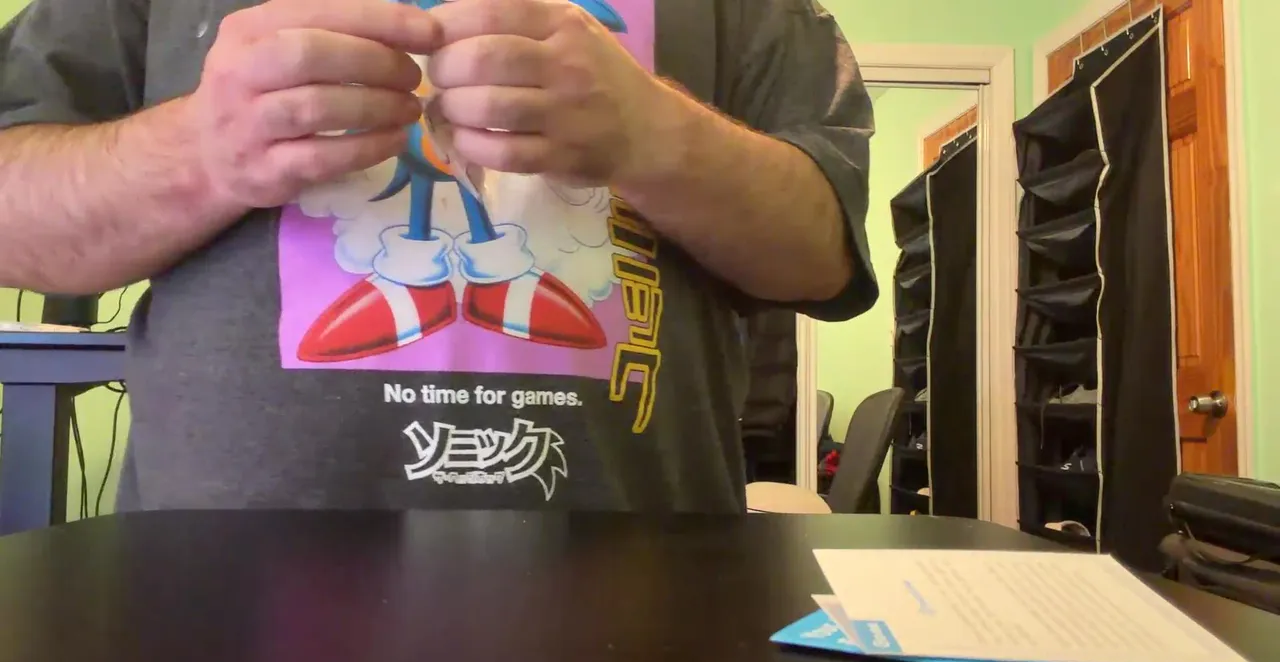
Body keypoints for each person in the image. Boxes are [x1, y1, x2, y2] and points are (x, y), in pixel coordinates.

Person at [0, 0, 876, 512]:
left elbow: (823, 254)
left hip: (640, 604)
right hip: (215, 609)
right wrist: (200, 150)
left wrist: (654, 136)